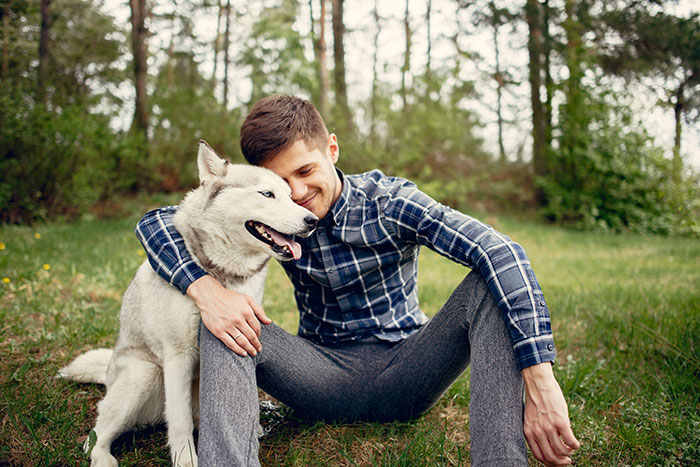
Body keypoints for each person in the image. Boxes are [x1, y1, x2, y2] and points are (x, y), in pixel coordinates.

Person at [136, 94, 580, 466]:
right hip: (316, 377)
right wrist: (205, 288)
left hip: (408, 371)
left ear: (332, 148)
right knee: (228, 317)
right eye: (282, 182)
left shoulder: (389, 202)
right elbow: (156, 223)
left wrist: (539, 381)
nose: (300, 194)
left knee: (489, 280)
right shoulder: (271, 219)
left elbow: (501, 251)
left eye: (306, 171)